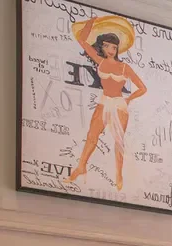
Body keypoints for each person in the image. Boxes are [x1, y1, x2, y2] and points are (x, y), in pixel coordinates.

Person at [65, 17, 147, 192]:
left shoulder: (124, 67)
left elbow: (143, 88)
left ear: (117, 49)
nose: (111, 50)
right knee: (92, 135)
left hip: (118, 105)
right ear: (102, 47)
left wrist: (129, 99)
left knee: (118, 141)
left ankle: (119, 175)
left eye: (114, 47)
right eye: (107, 46)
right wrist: (91, 22)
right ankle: (81, 166)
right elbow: (82, 40)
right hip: (103, 102)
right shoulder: (100, 61)